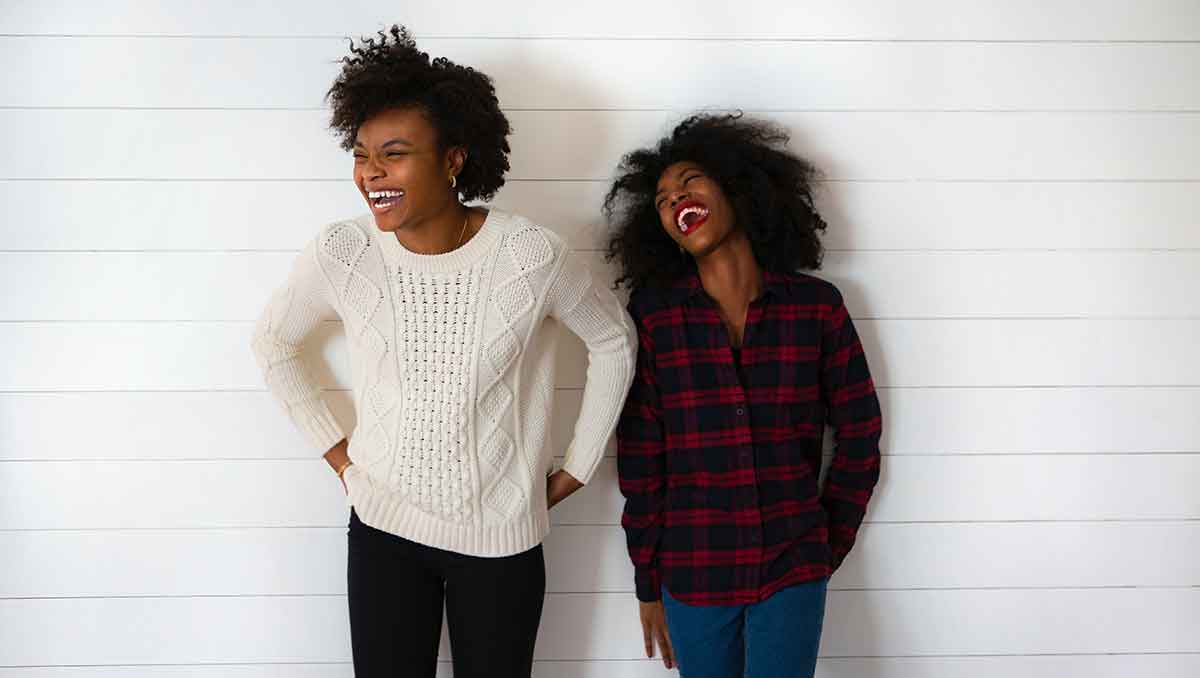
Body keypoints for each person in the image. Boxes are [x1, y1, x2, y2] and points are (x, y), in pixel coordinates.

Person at [250, 26, 637, 678]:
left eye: (394, 154)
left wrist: (578, 464)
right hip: (383, 532)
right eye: (362, 153)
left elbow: (613, 338)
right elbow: (273, 341)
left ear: (453, 159)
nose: (370, 172)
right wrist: (343, 460)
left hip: (503, 541)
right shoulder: (344, 253)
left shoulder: (530, 255)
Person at [606, 113, 883, 678]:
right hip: (693, 572)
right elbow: (642, 462)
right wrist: (647, 583)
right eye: (661, 199)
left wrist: (823, 545)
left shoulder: (817, 308)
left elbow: (859, 434)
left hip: (793, 566)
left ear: (738, 188)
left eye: (689, 181)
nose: (674, 199)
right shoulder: (655, 320)